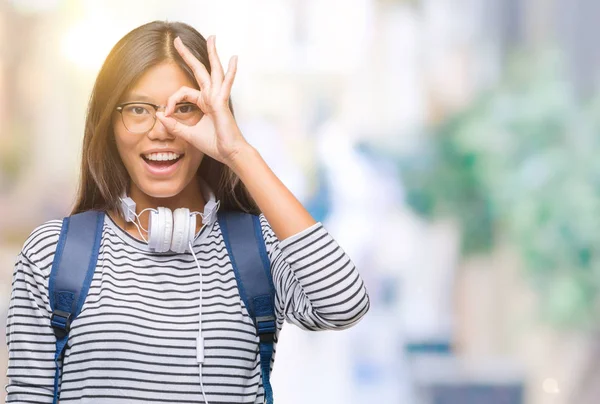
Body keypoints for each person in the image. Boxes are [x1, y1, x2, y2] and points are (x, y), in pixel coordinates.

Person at [4, 20, 370, 403]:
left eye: (185, 107)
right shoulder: (53, 254)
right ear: (109, 124)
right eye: (138, 109)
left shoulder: (259, 249)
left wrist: (239, 153)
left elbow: (344, 304)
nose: (162, 130)